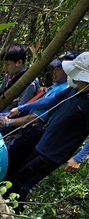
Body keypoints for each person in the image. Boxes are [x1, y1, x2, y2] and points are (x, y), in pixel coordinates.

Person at [8, 51, 89, 207]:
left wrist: (78, 158)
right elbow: (52, 101)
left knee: (23, 181)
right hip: (43, 143)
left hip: (53, 154)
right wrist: (23, 108)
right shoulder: (74, 89)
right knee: (17, 175)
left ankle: (12, 213)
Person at [0, 51, 79, 179]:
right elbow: (42, 103)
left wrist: (9, 122)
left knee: (10, 162)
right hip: (27, 130)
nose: (54, 72)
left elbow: (37, 117)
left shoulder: (65, 89)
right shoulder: (57, 87)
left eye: (59, 69)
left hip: (34, 132)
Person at [0, 43, 40, 119]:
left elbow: (21, 111)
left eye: (7, 65)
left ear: (19, 63)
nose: (4, 68)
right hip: (0, 114)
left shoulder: (29, 84)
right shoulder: (10, 76)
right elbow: (0, 93)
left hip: (7, 121)